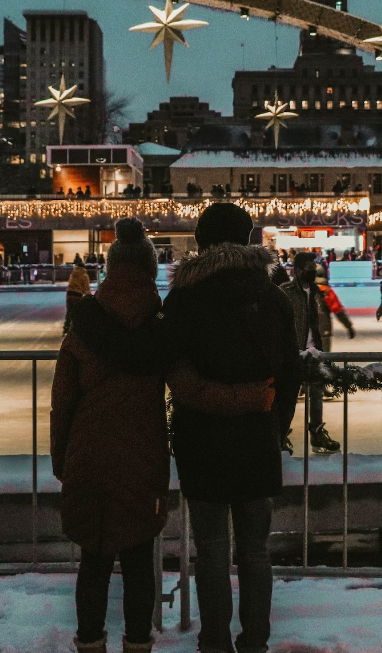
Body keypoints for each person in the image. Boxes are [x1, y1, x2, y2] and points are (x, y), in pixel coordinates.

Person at [52, 218, 274, 653]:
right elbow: (193, 390)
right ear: (152, 271)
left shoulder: (81, 328)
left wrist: (64, 461)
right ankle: (138, 643)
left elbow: (64, 404)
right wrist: (252, 396)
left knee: (94, 560)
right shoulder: (159, 330)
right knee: (137, 560)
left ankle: (91, 643)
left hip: (88, 457)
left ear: (110, 270)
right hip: (141, 458)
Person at [162, 203, 300, 653]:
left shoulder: (184, 298)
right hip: (257, 435)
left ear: (202, 241)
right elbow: (290, 372)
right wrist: (274, 426)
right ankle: (255, 640)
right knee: (255, 551)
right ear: (247, 240)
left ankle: (214, 639)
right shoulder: (273, 297)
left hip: (202, 438)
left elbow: (171, 365)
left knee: (213, 549)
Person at [280, 252, 350, 454]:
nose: (313, 269)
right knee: (288, 397)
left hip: (315, 352)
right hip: (293, 353)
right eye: (308, 266)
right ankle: (281, 436)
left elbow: (335, 310)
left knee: (317, 395)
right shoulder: (285, 292)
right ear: (298, 270)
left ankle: (317, 435)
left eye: (314, 265)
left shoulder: (320, 292)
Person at [63, 263, 90, 336]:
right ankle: (77, 329)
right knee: (77, 312)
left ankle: (66, 327)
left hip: (69, 294)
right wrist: (89, 296)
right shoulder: (84, 275)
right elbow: (86, 288)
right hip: (77, 295)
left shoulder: (73, 274)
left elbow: (70, 284)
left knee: (69, 311)